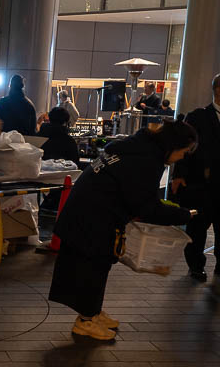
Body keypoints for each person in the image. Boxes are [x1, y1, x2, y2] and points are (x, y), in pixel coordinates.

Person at [49, 120, 197, 340]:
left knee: (97, 266)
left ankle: (92, 312)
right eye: (183, 153)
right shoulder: (147, 160)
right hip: (92, 218)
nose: (181, 158)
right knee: (91, 268)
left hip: (87, 213)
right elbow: (145, 206)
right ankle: (86, 321)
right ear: (173, 145)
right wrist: (183, 215)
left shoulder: (137, 146)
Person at [172, 74, 220, 282]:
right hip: (201, 183)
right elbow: (184, 146)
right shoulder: (197, 116)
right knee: (198, 227)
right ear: (217, 90)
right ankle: (196, 266)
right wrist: (179, 174)